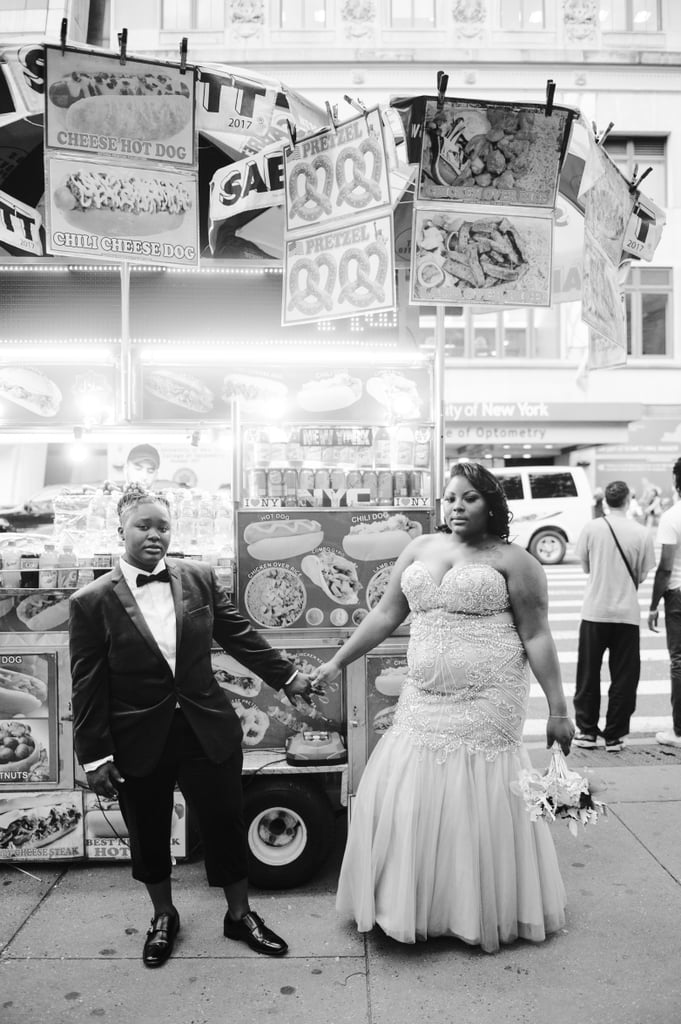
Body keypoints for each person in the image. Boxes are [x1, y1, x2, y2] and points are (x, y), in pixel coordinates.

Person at [311, 461, 574, 954]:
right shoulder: (419, 547)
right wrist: (336, 663)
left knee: (476, 797)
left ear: (492, 504)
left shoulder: (516, 561)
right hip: (423, 697)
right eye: (450, 497)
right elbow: (387, 613)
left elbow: (536, 634)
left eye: (470, 497)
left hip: (489, 699)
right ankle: (412, 906)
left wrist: (559, 709)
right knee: (415, 789)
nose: (456, 505)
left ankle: (478, 909)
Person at [69, 484, 319, 968]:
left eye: (163, 525)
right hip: (138, 735)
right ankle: (163, 915)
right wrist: (95, 755)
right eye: (143, 525)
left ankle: (239, 914)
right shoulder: (91, 601)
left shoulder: (199, 578)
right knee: (148, 829)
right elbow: (87, 685)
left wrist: (288, 676)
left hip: (206, 726)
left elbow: (239, 636)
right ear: (120, 529)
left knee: (225, 820)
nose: (154, 534)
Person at [573, 481, 656, 752]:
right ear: (628, 500)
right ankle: (615, 735)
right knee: (624, 677)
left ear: (606, 501)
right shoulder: (642, 533)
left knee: (588, 674)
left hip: (594, 612)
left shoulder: (592, 528)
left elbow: (586, 567)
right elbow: (642, 575)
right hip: (626, 615)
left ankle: (586, 731)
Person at [648, 457, 681, 748]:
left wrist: (653, 604)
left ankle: (679, 731)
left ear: (676, 481)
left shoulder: (673, 517)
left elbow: (666, 568)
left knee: (679, 662)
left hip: (678, 595)